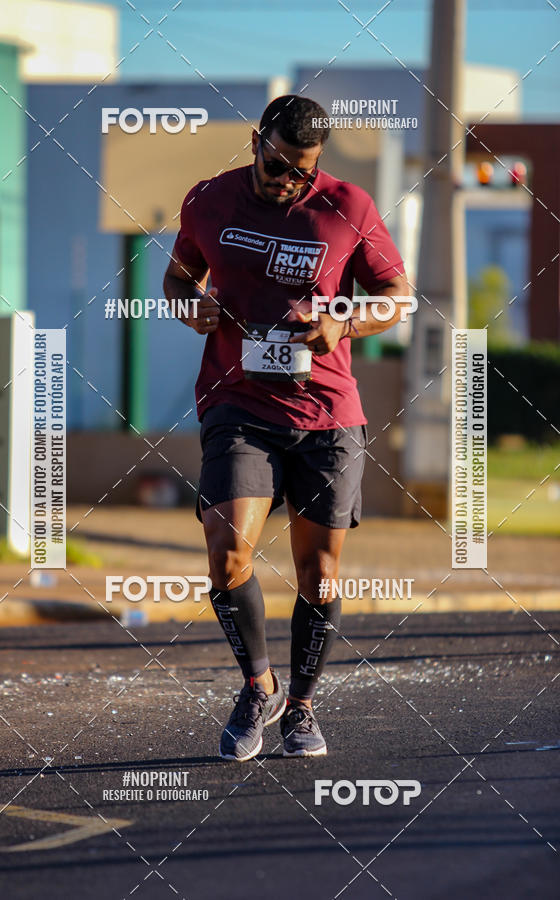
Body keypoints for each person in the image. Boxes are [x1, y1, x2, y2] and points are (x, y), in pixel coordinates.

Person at [163, 94, 409, 761]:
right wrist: (189, 306)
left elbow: (397, 295)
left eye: (303, 172)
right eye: (278, 166)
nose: (289, 182)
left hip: (327, 413)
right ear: (255, 142)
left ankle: (300, 705)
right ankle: (257, 686)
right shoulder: (209, 201)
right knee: (226, 548)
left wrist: (345, 323)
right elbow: (178, 277)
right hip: (237, 403)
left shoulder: (348, 206)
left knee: (319, 572)